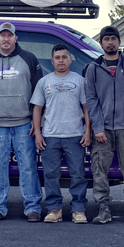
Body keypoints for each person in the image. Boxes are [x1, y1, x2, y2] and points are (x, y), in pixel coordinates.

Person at [84, 26, 124, 225]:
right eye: (106, 39)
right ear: (101, 43)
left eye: (114, 39)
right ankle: (103, 208)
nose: (110, 42)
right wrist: (98, 127)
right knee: (99, 169)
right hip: (103, 130)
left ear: (119, 42)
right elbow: (91, 99)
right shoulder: (93, 68)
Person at [0, 22, 43, 222]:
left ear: (15, 38)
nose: (6, 39)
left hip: (24, 123)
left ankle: (33, 207)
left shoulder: (29, 59)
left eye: (10, 35)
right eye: (2, 35)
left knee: (28, 166)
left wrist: (35, 119)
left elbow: (38, 92)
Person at [31, 44, 91, 224]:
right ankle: (54, 209)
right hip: (50, 136)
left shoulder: (80, 80)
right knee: (50, 174)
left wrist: (88, 131)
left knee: (78, 175)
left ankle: (78, 210)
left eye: (64, 57)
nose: (61, 60)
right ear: (52, 60)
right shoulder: (44, 82)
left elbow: (87, 108)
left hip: (75, 135)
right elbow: (37, 109)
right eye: (57, 57)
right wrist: (38, 134)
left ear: (70, 59)